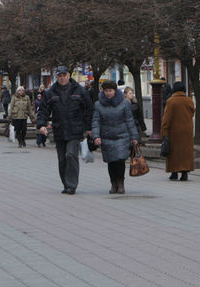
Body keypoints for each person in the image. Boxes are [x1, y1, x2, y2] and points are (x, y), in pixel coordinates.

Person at [36, 66, 94, 195]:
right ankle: (66, 183)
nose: (62, 78)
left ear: (69, 75)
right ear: (57, 77)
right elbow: (43, 111)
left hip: (75, 130)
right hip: (59, 130)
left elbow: (89, 110)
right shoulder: (51, 92)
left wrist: (89, 128)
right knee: (62, 160)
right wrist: (41, 125)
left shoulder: (80, 91)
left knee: (71, 155)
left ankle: (72, 185)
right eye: (60, 75)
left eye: (64, 75)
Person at [92, 79, 139, 194]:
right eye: (106, 91)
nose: (108, 93)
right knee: (111, 162)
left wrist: (134, 137)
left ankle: (120, 183)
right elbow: (96, 121)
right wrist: (96, 136)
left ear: (115, 91)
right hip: (106, 136)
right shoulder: (98, 105)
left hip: (121, 136)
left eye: (110, 91)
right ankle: (113, 183)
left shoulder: (124, 103)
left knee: (120, 161)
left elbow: (129, 120)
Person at [161, 81, 194, 182]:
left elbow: (166, 118)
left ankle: (174, 172)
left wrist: (164, 131)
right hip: (187, 130)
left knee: (174, 152)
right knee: (185, 152)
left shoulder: (171, 101)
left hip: (174, 131)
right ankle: (184, 173)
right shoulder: (189, 100)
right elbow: (192, 112)